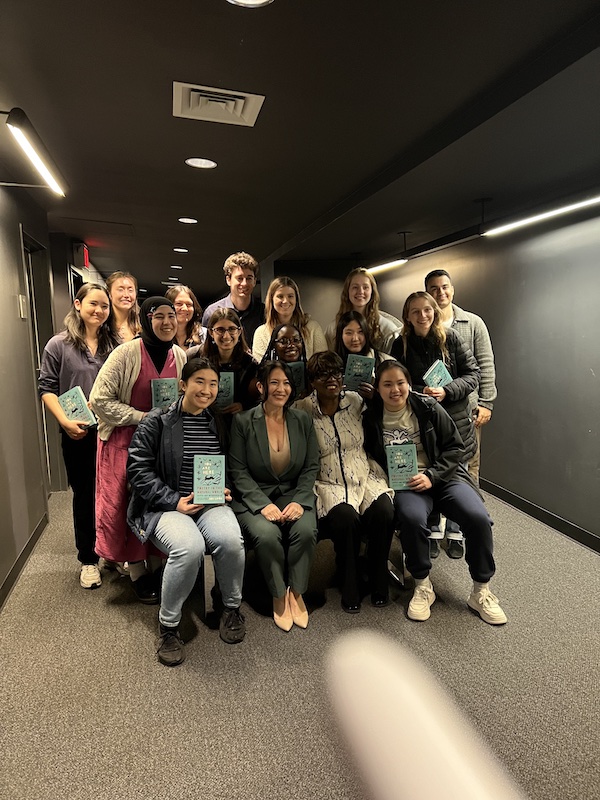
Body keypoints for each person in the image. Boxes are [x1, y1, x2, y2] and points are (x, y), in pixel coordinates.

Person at [363, 360, 507, 625]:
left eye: (400, 383)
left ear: (408, 384)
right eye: (387, 384)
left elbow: (456, 448)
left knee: (478, 518)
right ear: (378, 388)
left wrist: (432, 475)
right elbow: (370, 456)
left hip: (443, 477)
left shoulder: (427, 407)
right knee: (412, 518)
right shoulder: (371, 418)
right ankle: (422, 585)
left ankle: (481, 591)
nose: (395, 389)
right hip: (407, 484)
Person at [127, 357, 246, 666]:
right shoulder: (157, 420)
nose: (207, 390)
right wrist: (174, 501)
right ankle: (168, 626)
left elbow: (228, 466)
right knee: (189, 548)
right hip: (167, 506)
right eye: (199, 382)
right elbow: (137, 470)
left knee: (231, 540)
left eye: (213, 384)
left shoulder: (219, 420)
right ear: (183, 385)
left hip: (209, 503)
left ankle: (231, 607)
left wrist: (225, 487)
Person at [90, 296, 187, 603]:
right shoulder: (126, 353)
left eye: (171, 315)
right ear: (146, 319)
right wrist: (141, 416)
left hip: (161, 444)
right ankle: (136, 571)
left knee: (158, 502)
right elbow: (100, 400)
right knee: (128, 505)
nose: (167, 322)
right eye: (159, 316)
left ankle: (157, 563)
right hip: (124, 441)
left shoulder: (180, 355)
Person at [295, 352, 394, 613]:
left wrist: (375, 401)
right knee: (346, 519)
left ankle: (377, 574)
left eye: (337, 373)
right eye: (323, 375)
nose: (332, 379)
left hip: (363, 474)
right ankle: (349, 582)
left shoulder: (356, 401)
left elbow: (382, 422)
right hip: (328, 483)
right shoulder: (302, 410)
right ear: (312, 381)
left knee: (384, 510)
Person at [228, 361, 319, 631]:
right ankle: (279, 595)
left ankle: (297, 593)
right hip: (254, 496)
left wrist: (300, 500)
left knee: (305, 530)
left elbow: (311, 465)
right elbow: (238, 470)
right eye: (275, 382)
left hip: (293, 493)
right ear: (261, 386)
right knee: (266, 536)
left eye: (287, 383)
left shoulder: (302, 419)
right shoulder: (243, 421)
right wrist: (261, 505)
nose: (281, 389)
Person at [38, 283, 119, 588]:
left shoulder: (115, 345)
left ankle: (113, 551)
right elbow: (46, 389)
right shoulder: (58, 345)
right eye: (93, 304)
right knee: (85, 495)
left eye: (105, 306)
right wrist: (65, 422)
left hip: (111, 432)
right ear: (78, 304)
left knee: (114, 493)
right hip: (78, 434)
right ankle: (88, 559)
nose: (99, 311)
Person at [390, 291, 480, 559]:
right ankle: (432, 530)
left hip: (456, 421)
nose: (422, 316)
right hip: (423, 423)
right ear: (407, 315)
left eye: (427, 310)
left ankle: (455, 531)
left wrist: (447, 391)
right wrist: (422, 391)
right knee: (430, 473)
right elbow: (398, 382)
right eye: (415, 311)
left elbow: (472, 374)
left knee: (456, 475)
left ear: (435, 312)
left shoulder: (450, 338)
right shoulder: (401, 344)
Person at [424, 269, 497, 484]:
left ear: (452, 290)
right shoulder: (423, 326)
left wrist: (486, 404)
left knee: (469, 464)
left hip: (468, 409)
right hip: (434, 409)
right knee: (435, 462)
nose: (440, 292)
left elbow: (485, 364)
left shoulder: (473, 323)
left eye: (444, 287)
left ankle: (468, 511)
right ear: (427, 293)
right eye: (434, 289)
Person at [325, 268, 402, 353]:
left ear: (372, 291)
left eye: (365, 287)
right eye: (355, 287)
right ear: (347, 291)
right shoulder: (332, 329)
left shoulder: (387, 330)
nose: (360, 291)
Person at [252, 276, 327, 362]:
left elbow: (323, 363)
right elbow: (261, 369)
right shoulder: (261, 333)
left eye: (290, 296)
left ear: (296, 299)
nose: (285, 301)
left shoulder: (313, 328)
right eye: (280, 296)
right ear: (271, 299)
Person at [198, 308, 259, 414]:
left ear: (239, 332)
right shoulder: (196, 358)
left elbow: (258, 398)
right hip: (204, 419)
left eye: (231, 329)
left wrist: (243, 405)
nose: (226, 336)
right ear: (211, 332)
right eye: (220, 330)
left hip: (238, 421)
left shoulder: (251, 364)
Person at [202, 252, 265, 346]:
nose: (244, 283)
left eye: (249, 278)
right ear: (228, 280)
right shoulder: (212, 312)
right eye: (239, 278)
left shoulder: (264, 312)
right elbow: (206, 347)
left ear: (255, 281)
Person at [333, 310, 393, 401]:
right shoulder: (331, 365)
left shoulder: (386, 362)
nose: (355, 338)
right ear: (340, 335)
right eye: (349, 333)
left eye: (360, 332)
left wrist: (376, 395)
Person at [260, 322, 309, 399]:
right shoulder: (264, 373)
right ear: (274, 345)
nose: (291, 345)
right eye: (284, 341)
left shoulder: (310, 371)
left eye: (296, 340)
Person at [165, 284, 207, 351]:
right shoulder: (160, 335)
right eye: (179, 304)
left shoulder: (205, 335)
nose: (185, 308)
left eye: (189, 305)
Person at [106, 271, 141, 343]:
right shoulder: (101, 326)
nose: (126, 295)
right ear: (110, 294)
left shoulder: (144, 325)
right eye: (120, 290)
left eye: (130, 290)